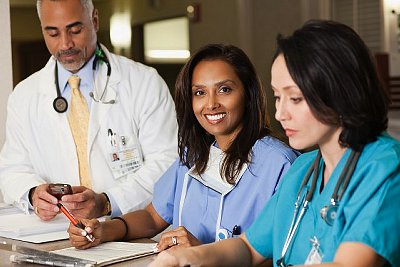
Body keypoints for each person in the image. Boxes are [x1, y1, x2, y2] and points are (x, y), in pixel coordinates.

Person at [149, 20, 400, 267]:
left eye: (295, 98)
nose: (280, 113)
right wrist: (187, 257)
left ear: (342, 92)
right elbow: (247, 248)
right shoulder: (304, 170)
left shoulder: (385, 168)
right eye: (278, 97)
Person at [67, 44, 298, 251]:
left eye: (224, 89)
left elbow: (285, 252)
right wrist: (102, 231)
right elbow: (152, 217)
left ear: (248, 94)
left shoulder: (280, 164)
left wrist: (204, 254)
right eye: (199, 93)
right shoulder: (193, 156)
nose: (211, 104)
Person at [0, 0, 178, 221]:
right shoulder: (24, 95)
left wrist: (107, 201)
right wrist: (32, 193)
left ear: (94, 20)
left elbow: (167, 161)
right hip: (56, 232)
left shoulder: (144, 82)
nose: (65, 44)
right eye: (53, 33)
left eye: (75, 30)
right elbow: (12, 170)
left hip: (131, 231)